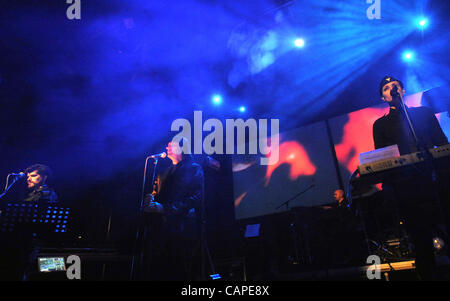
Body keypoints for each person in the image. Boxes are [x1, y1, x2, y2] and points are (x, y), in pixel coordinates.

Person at [372, 75, 449, 280]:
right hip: (407, 189)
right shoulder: (380, 125)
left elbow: (442, 145)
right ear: (383, 97)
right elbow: (383, 157)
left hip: (436, 181)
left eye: (395, 85)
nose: (392, 88)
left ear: (403, 90)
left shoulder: (423, 114)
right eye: (387, 88)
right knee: (420, 239)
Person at [143, 138, 204, 280]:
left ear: (182, 148)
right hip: (162, 230)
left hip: (183, 228)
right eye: (168, 145)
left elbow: (195, 197)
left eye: (172, 145)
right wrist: (151, 201)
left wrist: (165, 208)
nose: (167, 147)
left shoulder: (193, 168)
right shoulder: (164, 173)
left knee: (181, 269)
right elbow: (157, 196)